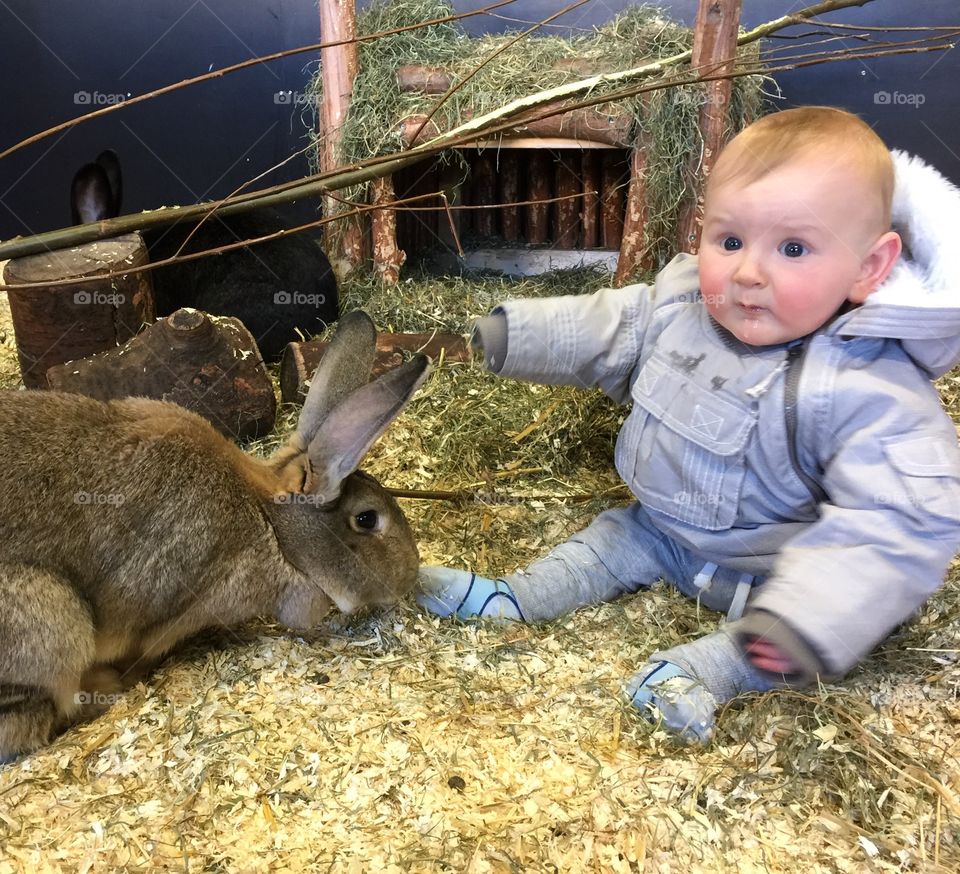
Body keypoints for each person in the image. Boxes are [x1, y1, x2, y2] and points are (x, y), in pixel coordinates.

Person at [417, 106, 960, 742]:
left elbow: (899, 518)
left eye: (793, 248)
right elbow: (615, 327)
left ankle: (699, 675)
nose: (747, 272)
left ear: (870, 267)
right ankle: (516, 598)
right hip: (661, 528)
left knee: (769, 645)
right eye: (729, 241)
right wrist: (525, 335)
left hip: (773, 573)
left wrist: (812, 616)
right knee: (605, 541)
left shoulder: (868, 385)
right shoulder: (681, 306)